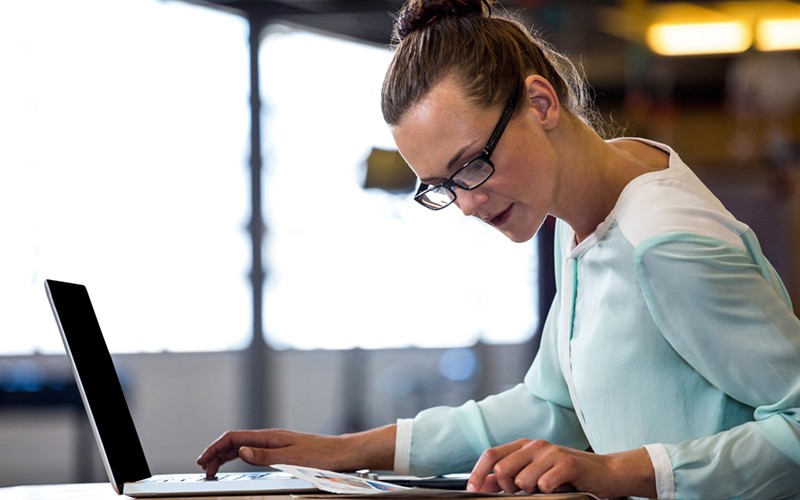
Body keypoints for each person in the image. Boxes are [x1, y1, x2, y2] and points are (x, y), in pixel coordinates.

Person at [197, 0, 800, 497]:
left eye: (472, 167)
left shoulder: (662, 239)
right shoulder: (584, 216)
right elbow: (550, 405)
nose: (464, 203)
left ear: (541, 104)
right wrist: (345, 452)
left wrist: (620, 471)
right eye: (441, 186)